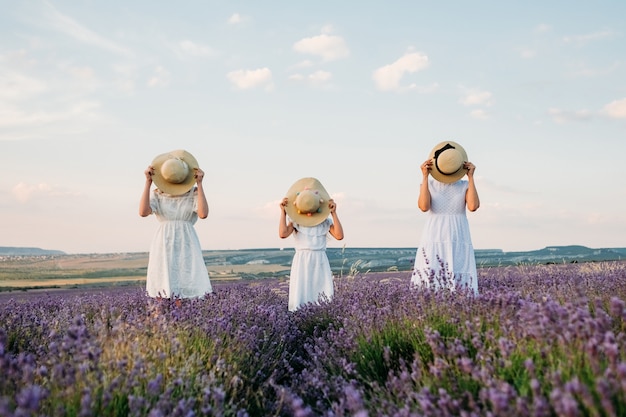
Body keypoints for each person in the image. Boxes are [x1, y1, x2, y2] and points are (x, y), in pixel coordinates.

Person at [139, 149, 213, 300]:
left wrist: (200, 184)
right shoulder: (157, 194)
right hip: (164, 241)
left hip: (187, 241)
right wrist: (147, 182)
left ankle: (186, 320)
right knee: (162, 283)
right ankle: (163, 321)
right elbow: (143, 212)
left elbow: (203, 214)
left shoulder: (194, 193)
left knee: (189, 280)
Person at [411, 141, 480, 294]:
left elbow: (473, 206)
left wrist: (471, 178)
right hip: (435, 232)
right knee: (431, 269)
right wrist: (424, 177)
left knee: (459, 268)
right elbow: (424, 207)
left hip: (458, 233)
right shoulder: (428, 184)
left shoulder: (464, 185)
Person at [279, 177, 344, 311]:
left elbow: (339, 235)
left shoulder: (325, 223)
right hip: (302, 260)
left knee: (321, 292)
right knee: (302, 292)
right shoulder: (296, 223)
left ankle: (321, 322)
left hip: (319, 259)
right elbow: (283, 234)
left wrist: (334, 213)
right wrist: (283, 213)